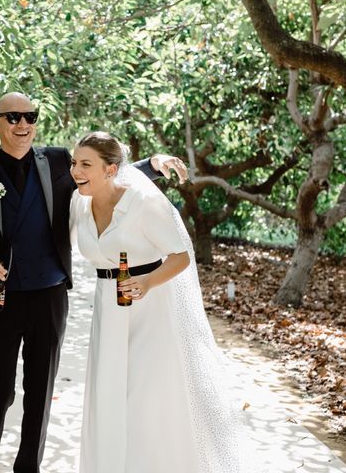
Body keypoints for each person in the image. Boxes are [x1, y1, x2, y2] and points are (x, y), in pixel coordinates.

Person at [0, 93, 187, 473]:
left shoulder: (57, 161)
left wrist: (153, 164)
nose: (23, 124)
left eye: (30, 116)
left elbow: (106, 173)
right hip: (0, 298)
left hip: (50, 297)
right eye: (13, 117)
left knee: (39, 393)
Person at [70, 131, 245, 473]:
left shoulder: (144, 203)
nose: (76, 170)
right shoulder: (79, 203)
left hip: (150, 312)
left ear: (111, 169)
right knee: (108, 399)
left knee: (144, 400)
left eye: (85, 164)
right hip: (107, 310)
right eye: (75, 162)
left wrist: (148, 282)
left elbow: (181, 256)